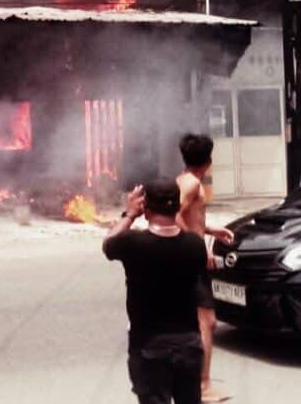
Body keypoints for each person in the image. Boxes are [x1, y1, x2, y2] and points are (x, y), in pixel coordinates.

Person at [103, 178, 207, 404]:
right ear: (178, 207)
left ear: (146, 210)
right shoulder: (195, 245)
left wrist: (130, 214)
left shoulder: (133, 243)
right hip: (189, 346)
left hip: (149, 348)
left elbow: (108, 243)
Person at [176, 134, 234, 404]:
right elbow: (174, 215)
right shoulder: (191, 185)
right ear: (208, 160)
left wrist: (212, 230)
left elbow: (190, 217)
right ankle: (203, 385)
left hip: (189, 257)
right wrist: (199, 246)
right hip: (192, 259)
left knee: (196, 321)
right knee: (206, 323)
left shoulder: (186, 180)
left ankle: (193, 381)